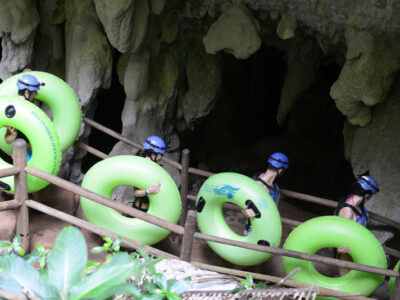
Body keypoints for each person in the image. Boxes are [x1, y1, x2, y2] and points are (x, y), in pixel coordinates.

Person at [243, 152, 289, 235]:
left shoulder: (273, 187)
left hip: (263, 228)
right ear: (281, 170)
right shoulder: (260, 185)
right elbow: (243, 206)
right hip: (255, 231)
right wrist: (246, 212)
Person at [334, 175, 379, 254]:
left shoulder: (358, 205)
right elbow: (339, 236)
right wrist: (340, 249)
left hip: (357, 248)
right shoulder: (348, 211)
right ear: (367, 195)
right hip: (348, 254)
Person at [128, 136, 167, 212]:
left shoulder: (154, 166)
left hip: (152, 208)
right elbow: (136, 192)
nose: (161, 157)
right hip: (141, 210)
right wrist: (148, 191)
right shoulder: (141, 168)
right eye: (160, 155)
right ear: (153, 154)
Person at [5, 74, 43, 145]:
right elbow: (7, 140)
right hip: (22, 151)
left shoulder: (35, 102)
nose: (36, 94)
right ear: (26, 92)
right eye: (35, 92)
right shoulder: (13, 110)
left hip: (37, 145)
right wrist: (14, 134)